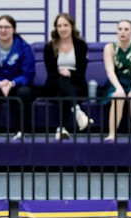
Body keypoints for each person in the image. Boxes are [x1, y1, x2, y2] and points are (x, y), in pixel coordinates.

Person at [0, 15, 35, 141]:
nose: (3, 30)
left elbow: (28, 74)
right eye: (0, 27)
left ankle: (21, 131)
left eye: (7, 27)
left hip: (15, 84)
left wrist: (12, 83)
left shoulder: (24, 47)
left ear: (14, 29)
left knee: (25, 92)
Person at [43, 13, 90, 141]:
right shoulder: (49, 47)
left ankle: (61, 129)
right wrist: (60, 73)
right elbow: (51, 73)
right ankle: (78, 113)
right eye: (59, 26)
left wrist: (70, 73)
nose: (62, 29)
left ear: (71, 27)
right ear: (56, 28)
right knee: (61, 81)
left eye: (65, 25)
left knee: (62, 93)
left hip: (76, 85)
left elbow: (81, 73)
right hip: (54, 84)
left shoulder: (81, 46)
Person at [102, 19, 131, 142]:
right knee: (118, 96)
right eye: (120, 29)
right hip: (115, 83)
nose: (123, 32)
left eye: (126, 29)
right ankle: (111, 134)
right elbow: (110, 71)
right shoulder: (110, 48)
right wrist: (118, 88)